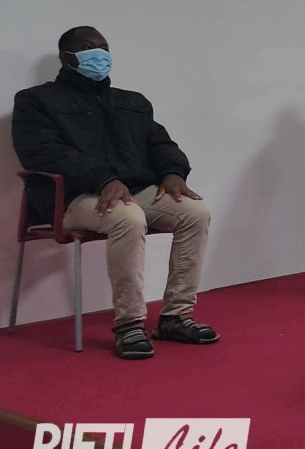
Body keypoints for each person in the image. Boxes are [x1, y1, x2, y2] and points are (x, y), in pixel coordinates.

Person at [12, 26, 218, 360]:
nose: (99, 54)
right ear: (67, 57)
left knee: (195, 212)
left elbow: (160, 142)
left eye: (104, 47)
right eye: (88, 47)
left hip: (132, 191)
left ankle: (175, 316)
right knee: (128, 217)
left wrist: (173, 172)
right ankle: (129, 324)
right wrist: (103, 179)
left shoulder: (132, 102)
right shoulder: (35, 101)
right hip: (72, 198)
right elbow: (42, 153)